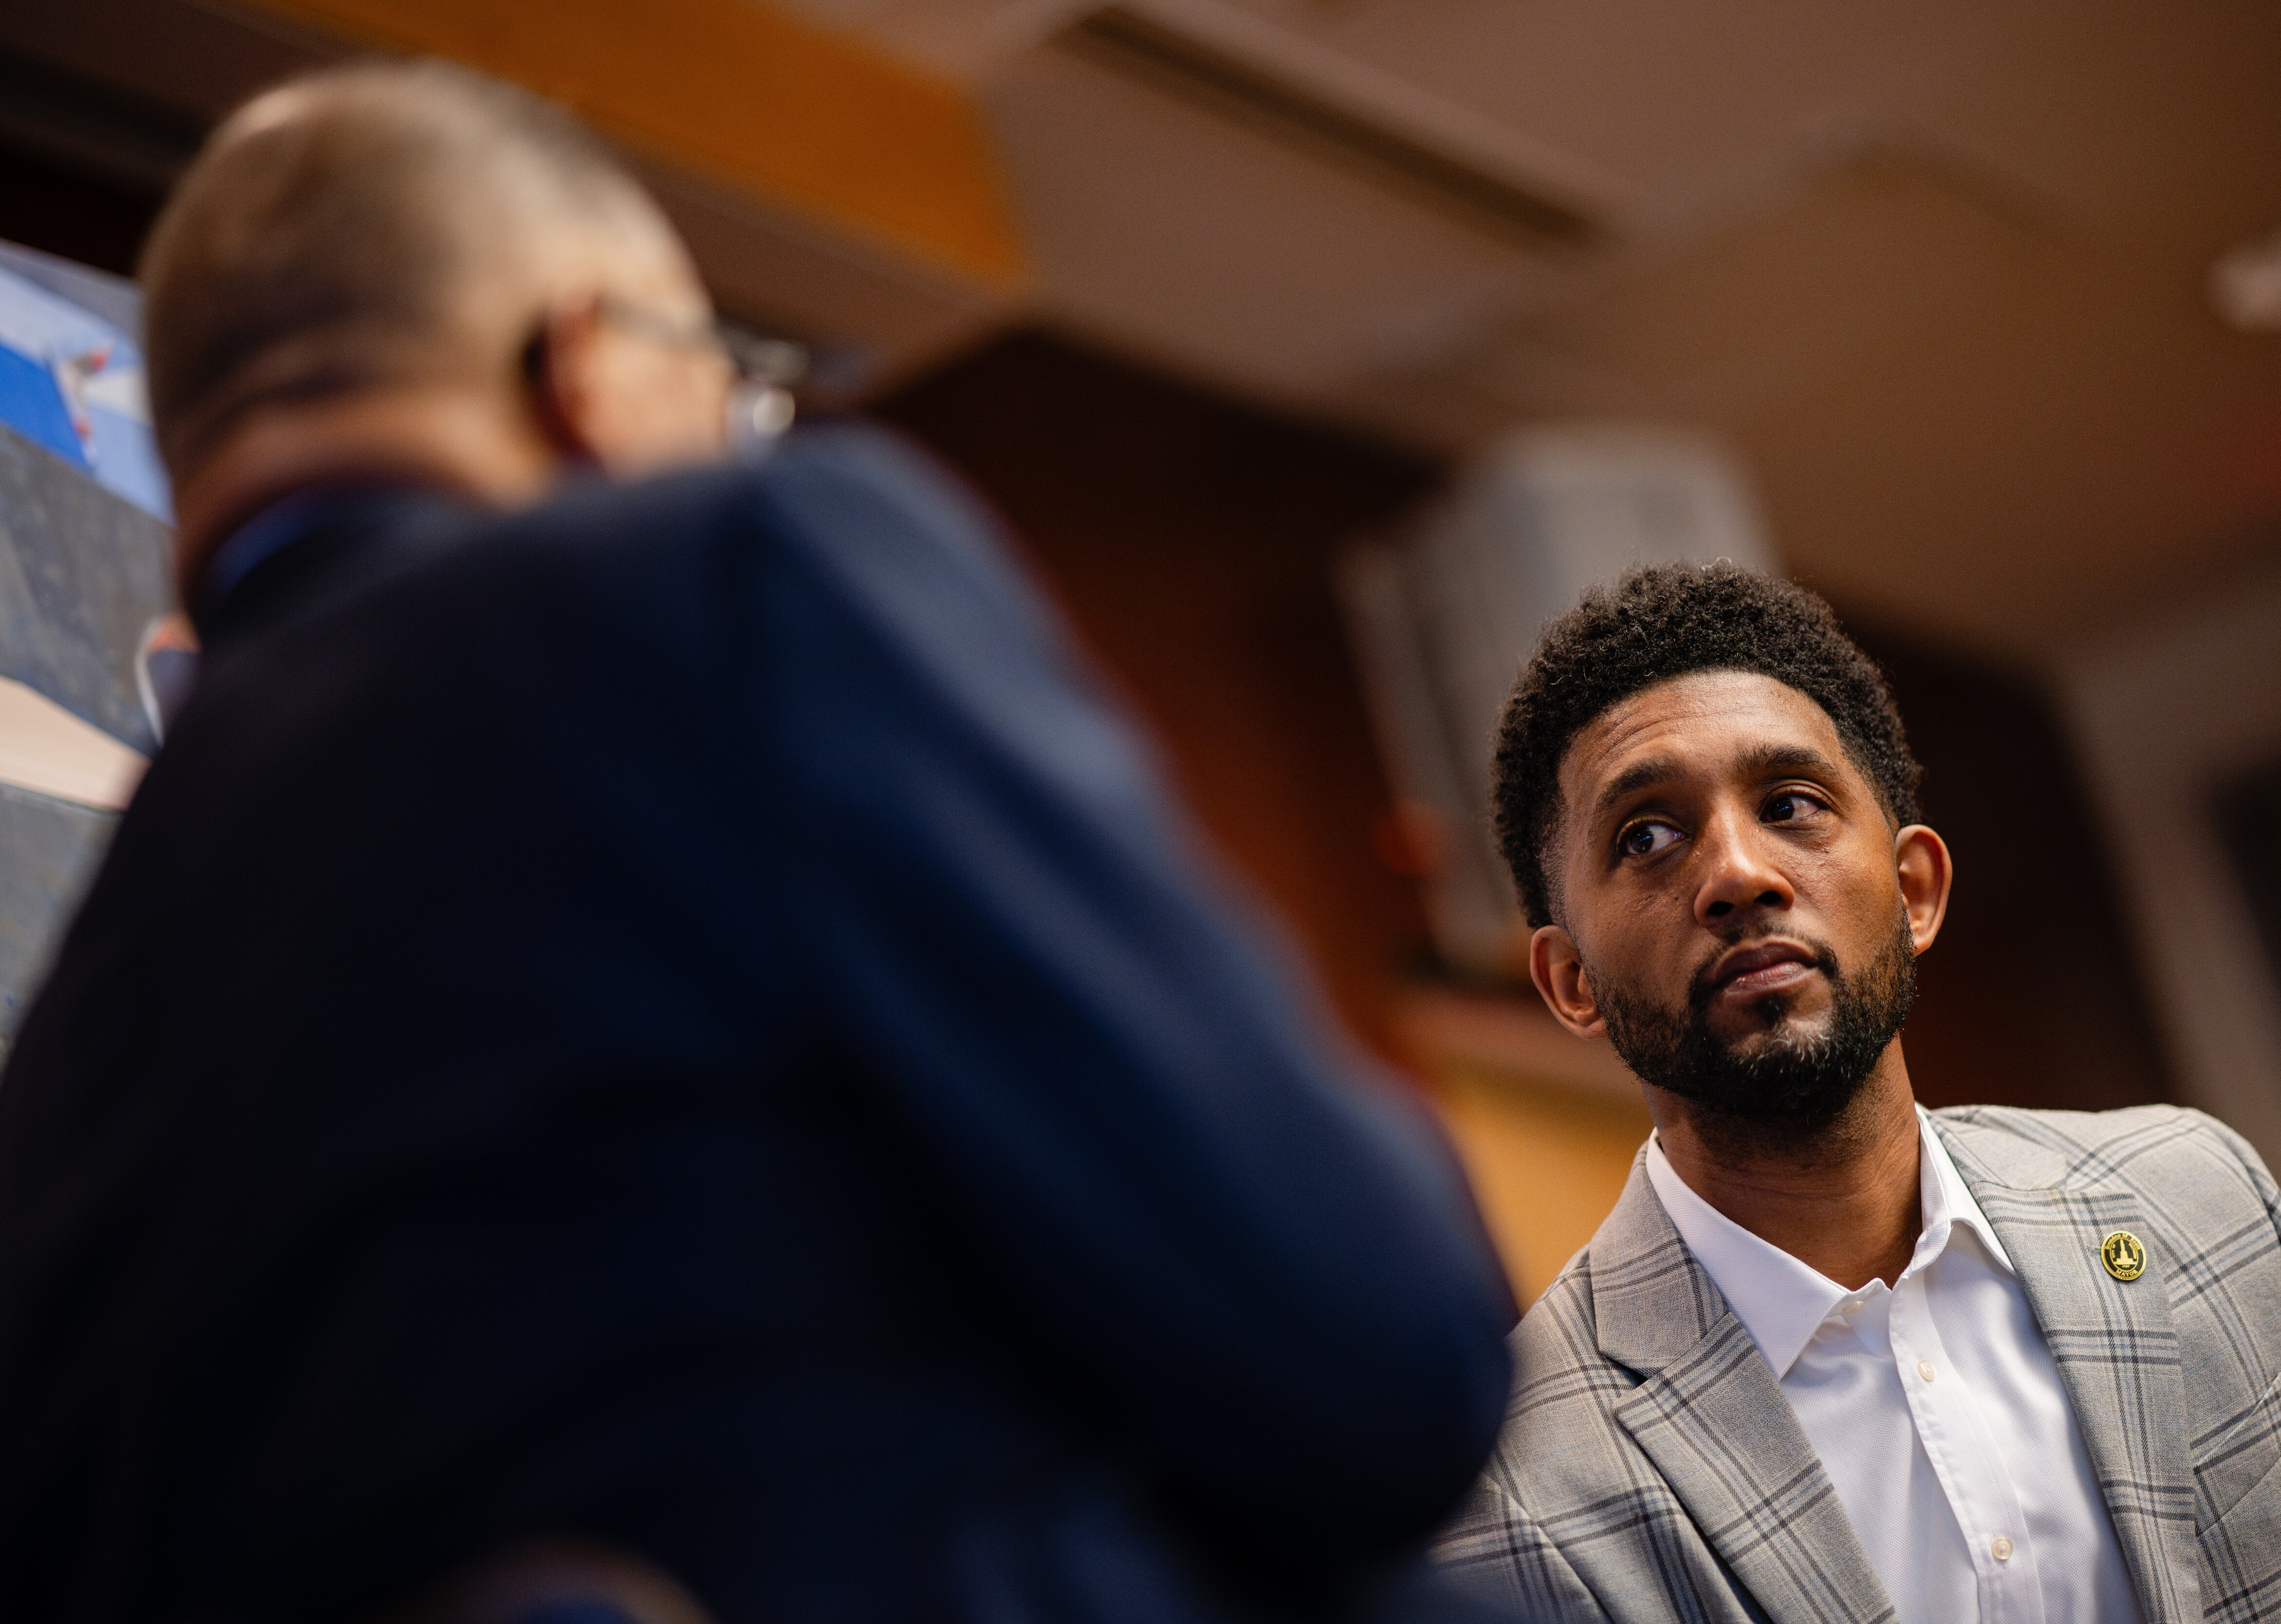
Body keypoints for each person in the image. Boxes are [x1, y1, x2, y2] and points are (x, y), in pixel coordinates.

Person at [0, 60, 1517, 1624]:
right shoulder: (741, 569)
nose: (739, 441)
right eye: (726, 390)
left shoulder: (58, 1069)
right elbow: (1380, 1349)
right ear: (586, 364)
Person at [1430, 563, 2281, 1623]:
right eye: (1647, 834)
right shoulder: (1517, 1491)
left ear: (1913, 889)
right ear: (1572, 981)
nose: (1737, 873)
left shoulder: (2202, 1202)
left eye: (1789, 804)